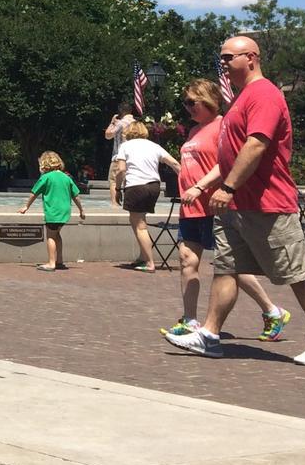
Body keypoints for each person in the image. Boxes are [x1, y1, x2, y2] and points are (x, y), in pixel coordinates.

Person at [165, 36, 305, 364]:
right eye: (220, 57)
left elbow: (257, 144)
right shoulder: (242, 98)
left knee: (297, 276)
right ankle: (209, 334)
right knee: (225, 270)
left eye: (227, 57)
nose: (222, 63)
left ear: (251, 58)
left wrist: (228, 187)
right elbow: (230, 153)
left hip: (267, 204)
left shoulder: (264, 94)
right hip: (236, 207)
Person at [162, 78, 288, 342]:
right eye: (185, 103)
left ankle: (272, 310)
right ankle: (190, 320)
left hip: (215, 205)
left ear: (209, 100)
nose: (188, 108)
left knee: (231, 266)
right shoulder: (194, 131)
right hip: (191, 208)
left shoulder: (222, 126)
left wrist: (199, 186)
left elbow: (227, 164)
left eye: (192, 102)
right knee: (187, 261)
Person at [112, 121, 180, 271]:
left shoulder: (125, 146)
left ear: (128, 133)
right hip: (154, 186)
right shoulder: (154, 146)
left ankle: (149, 262)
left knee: (139, 224)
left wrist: (117, 188)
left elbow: (121, 170)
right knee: (138, 220)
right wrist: (186, 180)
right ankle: (142, 256)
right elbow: (174, 163)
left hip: (136, 185)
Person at [18, 151, 84, 271]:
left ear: (44, 164)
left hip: (53, 212)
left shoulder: (46, 177)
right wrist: (81, 210)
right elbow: (76, 196)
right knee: (57, 234)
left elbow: (34, 193)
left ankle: (51, 263)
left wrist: (26, 206)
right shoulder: (66, 177)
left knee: (50, 236)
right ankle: (59, 260)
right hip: (65, 212)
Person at [104, 103, 135, 206]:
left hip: (119, 157)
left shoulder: (121, 123)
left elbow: (108, 135)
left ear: (121, 112)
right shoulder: (136, 124)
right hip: (133, 158)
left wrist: (112, 123)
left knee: (113, 180)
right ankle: (128, 203)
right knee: (128, 180)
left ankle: (115, 204)